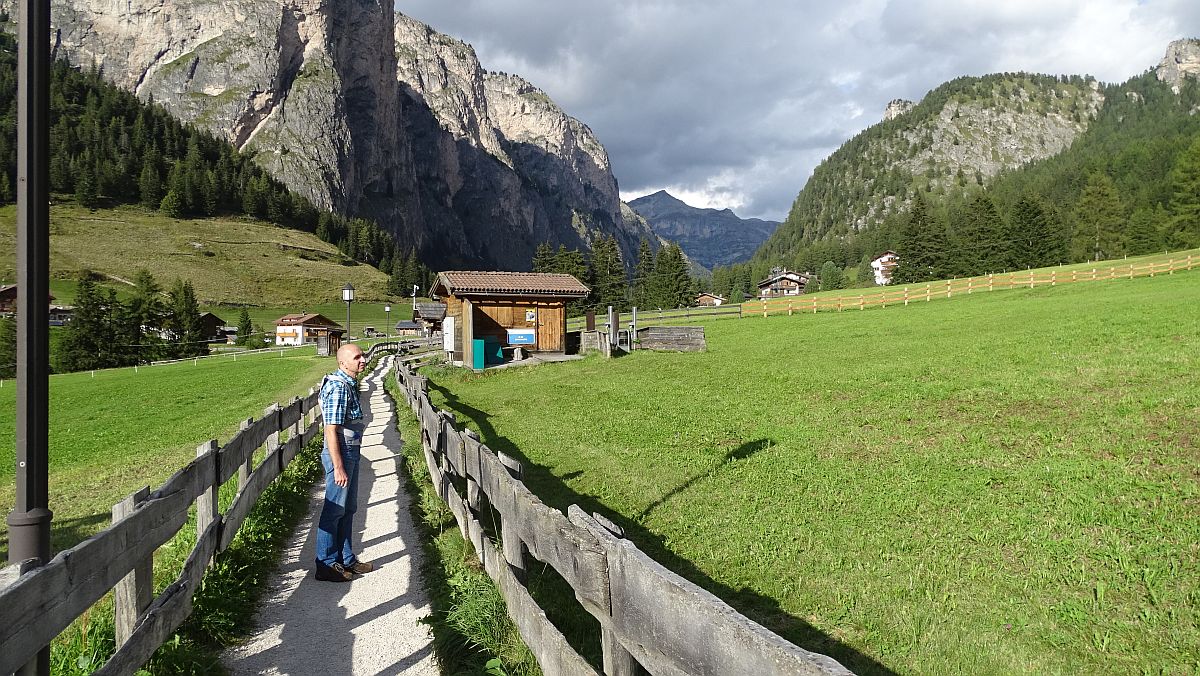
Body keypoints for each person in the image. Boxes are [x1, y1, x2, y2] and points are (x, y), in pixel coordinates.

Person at [314, 342, 375, 582]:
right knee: (335, 507)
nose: (363, 360)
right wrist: (338, 466)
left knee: (348, 507)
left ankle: (345, 558)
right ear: (342, 363)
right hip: (341, 451)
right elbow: (331, 430)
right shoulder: (339, 388)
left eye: (362, 355)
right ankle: (326, 564)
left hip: (350, 448)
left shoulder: (348, 383)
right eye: (357, 357)